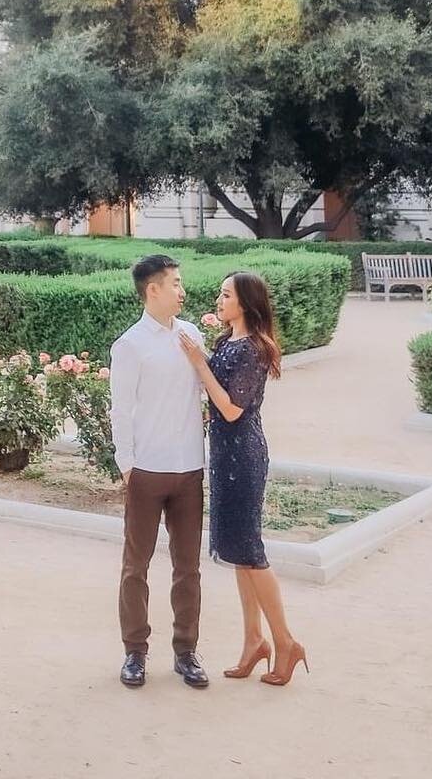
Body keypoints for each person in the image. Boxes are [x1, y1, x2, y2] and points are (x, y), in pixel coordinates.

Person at [182, 269, 309, 687]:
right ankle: (255, 641)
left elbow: (232, 409)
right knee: (239, 553)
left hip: (243, 457)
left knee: (251, 552)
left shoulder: (253, 348)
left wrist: (199, 364)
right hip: (225, 456)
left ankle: (286, 642)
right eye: (219, 295)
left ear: (245, 304)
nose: (218, 301)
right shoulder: (229, 342)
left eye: (225, 296)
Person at [107, 253, 209, 691]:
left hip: (189, 468)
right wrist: (126, 464)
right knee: (136, 567)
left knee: (188, 568)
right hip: (146, 470)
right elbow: (121, 410)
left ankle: (186, 652)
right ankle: (135, 652)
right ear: (153, 290)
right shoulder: (129, 345)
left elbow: (208, 390)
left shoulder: (191, 335)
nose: (182, 291)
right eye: (175, 284)